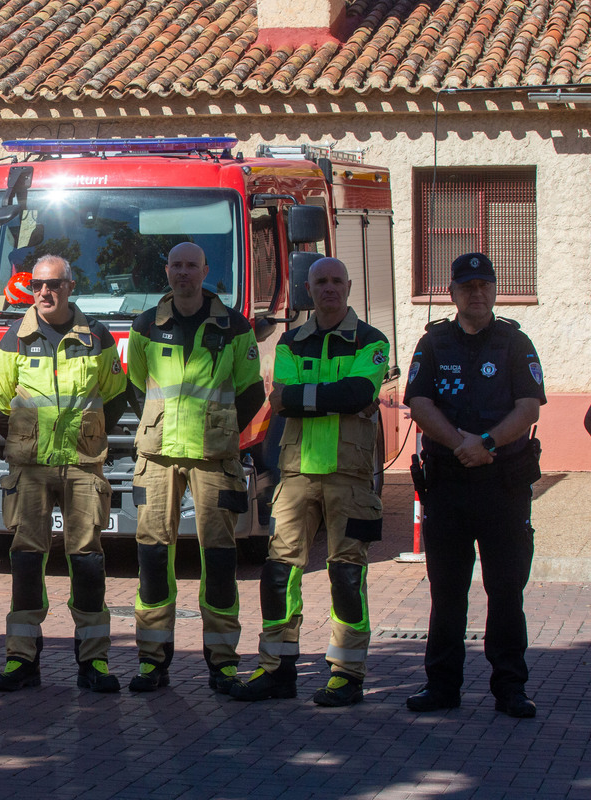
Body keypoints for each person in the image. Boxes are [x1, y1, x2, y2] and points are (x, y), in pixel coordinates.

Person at [231, 258, 389, 706]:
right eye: (321, 281)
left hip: (350, 476)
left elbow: (360, 392)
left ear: (349, 286)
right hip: (297, 475)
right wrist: (329, 399)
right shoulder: (290, 341)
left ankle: (347, 673)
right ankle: (277, 669)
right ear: (308, 289)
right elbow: (280, 398)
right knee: (279, 573)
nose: (330, 288)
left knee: (346, 573)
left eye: (337, 280)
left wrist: (305, 398)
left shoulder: (371, 341)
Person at [403, 252, 545, 718]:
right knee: (447, 590)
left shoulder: (515, 343)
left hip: (502, 483)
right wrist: (460, 443)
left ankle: (510, 687)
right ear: (453, 293)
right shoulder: (434, 343)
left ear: (495, 289)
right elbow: (420, 404)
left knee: (506, 590)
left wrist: (485, 442)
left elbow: (528, 408)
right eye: (467, 286)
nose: (477, 293)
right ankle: (442, 686)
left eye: (485, 284)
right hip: (447, 484)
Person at [0, 255, 129, 693]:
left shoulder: (97, 336)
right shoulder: (15, 337)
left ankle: (94, 662)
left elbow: (118, 396)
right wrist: (29, 437)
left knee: (87, 560)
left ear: (70, 287)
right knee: (27, 560)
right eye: (36, 287)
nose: (43, 293)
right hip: (30, 469)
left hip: (83, 467)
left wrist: (89, 435)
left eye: (52, 285)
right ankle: (22, 661)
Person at [126, 242, 265, 693]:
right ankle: (152, 660)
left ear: (206, 271)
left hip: (213, 457)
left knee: (220, 559)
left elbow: (250, 393)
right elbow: (135, 390)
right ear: (166, 271)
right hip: (158, 455)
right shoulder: (145, 326)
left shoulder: (235, 327)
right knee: (152, 556)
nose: (183, 273)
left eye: (192, 266)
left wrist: (222, 431)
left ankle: (222, 662)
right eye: (176, 266)